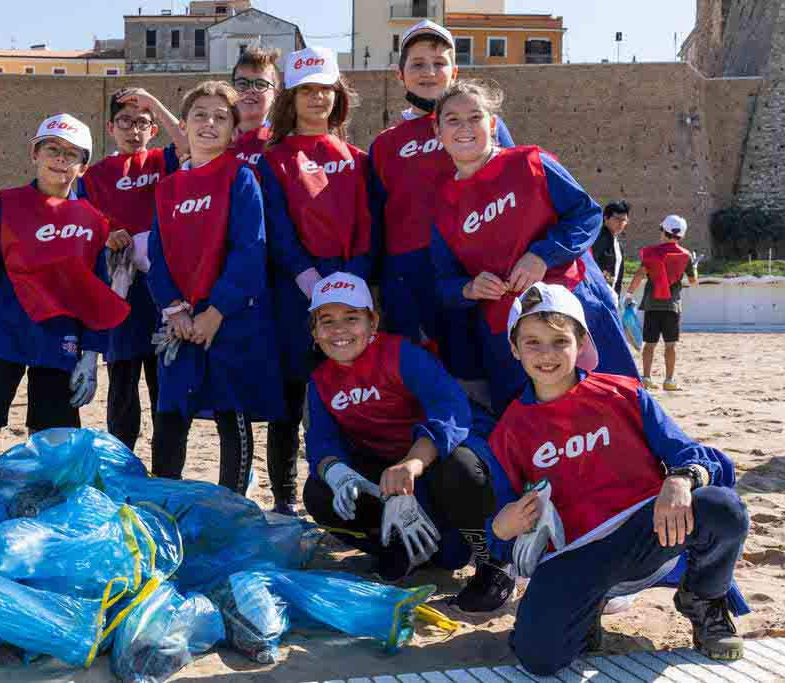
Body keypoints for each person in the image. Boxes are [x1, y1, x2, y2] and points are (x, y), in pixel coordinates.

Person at [488, 283, 749, 676]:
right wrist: (502, 526)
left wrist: (681, 478)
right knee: (539, 660)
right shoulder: (507, 432)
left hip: (649, 533)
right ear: (514, 349)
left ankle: (704, 601)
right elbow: (497, 529)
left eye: (560, 341)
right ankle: (583, 612)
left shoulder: (623, 394)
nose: (546, 354)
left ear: (582, 341)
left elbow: (706, 460)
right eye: (532, 342)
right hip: (575, 555)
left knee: (721, 508)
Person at [302, 273, 512, 611]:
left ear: (373, 322)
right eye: (327, 321)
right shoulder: (320, 382)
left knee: (461, 470)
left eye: (351, 318)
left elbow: (450, 411)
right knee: (319, 491)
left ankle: (493, 562)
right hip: (391, 477)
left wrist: (411, 465)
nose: (339, 330)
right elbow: (320, 443)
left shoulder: (402, 355)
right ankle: (399, 547)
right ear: (314, 332)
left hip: (434, 466)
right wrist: (337, 473)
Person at [429, 80, 637, 413]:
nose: (465, 127)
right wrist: (469, 287)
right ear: (438, 132)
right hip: (509, 336)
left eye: (475, 117)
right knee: (534, 427)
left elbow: (586, 215)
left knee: (613, 408)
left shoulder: (531, 163)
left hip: (576, 309)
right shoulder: (442, 206)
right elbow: (443, 283)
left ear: (493, 124)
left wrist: (542, 255)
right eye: (452, 120)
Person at [0, 113, 129, 457]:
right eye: (52, 149)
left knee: (51, 428)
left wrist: (91, 354)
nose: (60, 159)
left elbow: (96, 291)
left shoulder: (92, 220)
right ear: (35, 154)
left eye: (72, 153)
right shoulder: (6, 204)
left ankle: (42, 497)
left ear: (83, 165)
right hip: (7, 331)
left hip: (60, 336)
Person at [146, 81, 284, 495]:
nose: (209, 123)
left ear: (233, 131)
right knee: (171, 415)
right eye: (200, 115)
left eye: (220, 117)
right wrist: (176, 310)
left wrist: (214, 313)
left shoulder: (241, 178)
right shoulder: (168, 187)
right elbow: (158, 256)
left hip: (230, 322)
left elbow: (250, 250)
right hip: (180, 323)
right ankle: (163, 501)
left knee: (232, 417)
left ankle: (233, 508)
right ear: (183, 124)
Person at [255, 47, 374, 516]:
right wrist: (310, 281)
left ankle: (349, 484)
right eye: (307, 89)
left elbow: (369, 224)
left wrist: (353, 284)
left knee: (347, 390)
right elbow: (277, 228)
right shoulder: (274, 159)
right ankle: (283, 497)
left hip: (352, 289)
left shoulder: (358, 158)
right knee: (289, 399)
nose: (317, 97)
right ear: (291, 97)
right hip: (295, 290)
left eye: (325, 89)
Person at [367, 19, 514, 378]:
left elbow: (516, 191)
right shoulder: (386, 143)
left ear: (455, 71)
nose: (429, 72)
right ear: (399, 74)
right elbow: (375, 219)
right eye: (417, 63)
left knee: (481, 373)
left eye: (439, 62)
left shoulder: (484, 125)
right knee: (419, 376)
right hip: (409, 278)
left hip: (476, 269)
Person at [78, 89, 181, 451]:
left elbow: (186, 142)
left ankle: (166, 469)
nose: (133, 130)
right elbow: (82, 221)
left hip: (162, 293)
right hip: (120, 294)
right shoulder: (93, 176)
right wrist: (106, 233)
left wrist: (154, 102)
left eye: (142, 122)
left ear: (153, 129)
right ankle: (122, 466)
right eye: (125, 121)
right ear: (111, 127)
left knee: (163, 390)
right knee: (122, 390)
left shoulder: (163, 160)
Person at [624, 215, 699, 391]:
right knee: (671, 345)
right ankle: (669, 380)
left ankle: (647, 378)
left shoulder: (650, 253)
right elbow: (693, 281)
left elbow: (640, 274)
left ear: (663, 231)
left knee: (649, 344)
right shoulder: (686, 255)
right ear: (681, 235)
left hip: (652, 305)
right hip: (672, 307)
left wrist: (628, 294)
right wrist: (694, 266)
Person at [231, 45, 283, 166]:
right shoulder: (214, 137)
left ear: (275, 94)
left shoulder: (280, 144)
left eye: (260, 84)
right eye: (242, 83)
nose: (250, 90)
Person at [592, 200, 629, 291]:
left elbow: (618, 276)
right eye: (617, 219)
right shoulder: (597, 239)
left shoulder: (617, 244)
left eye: (624, 220)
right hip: (598, 294)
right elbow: (592, 267)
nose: (620, 223)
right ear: (606, 218)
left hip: (610, 295)